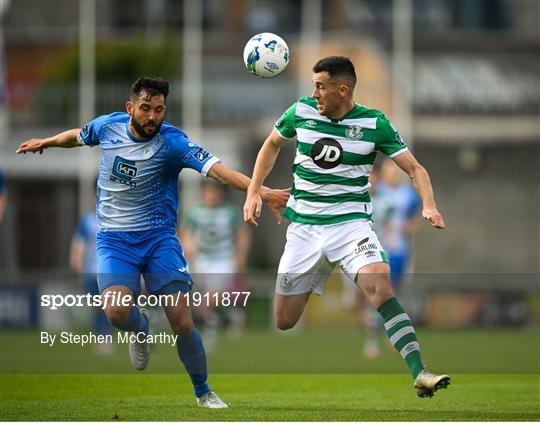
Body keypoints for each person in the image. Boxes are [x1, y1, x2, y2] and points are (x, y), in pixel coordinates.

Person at [16, 77, 289, 408]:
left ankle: (203, 391)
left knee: (181, 318)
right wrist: (46, 141)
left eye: (159, 110)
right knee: (116, 312)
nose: (152, 117)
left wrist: (260, 191)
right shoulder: (107, 128)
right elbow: (76, 136)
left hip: (159, 239)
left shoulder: (172, 142)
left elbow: (218, 171)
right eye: (146, 108)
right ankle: (141, 327)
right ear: (130, 108)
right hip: (115, 241)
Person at [243, 56, 450, 398]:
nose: (315, 93)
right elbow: (271, 145)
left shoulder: (374, 123)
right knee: (283, 320)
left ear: (343, 90)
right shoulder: (301, 111)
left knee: (381, 288)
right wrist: (253, 191)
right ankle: (313, 276)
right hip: (304, 230)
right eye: (314, 86)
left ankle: (420, 371)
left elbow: (416, 169)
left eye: (321, 86)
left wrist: (428, 205)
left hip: (351, 227)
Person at [181, 179, 251, 348]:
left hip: (223, 258)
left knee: (214, 295)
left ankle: (211, 330)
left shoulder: (230, 213)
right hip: (202, 259)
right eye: (208, 191)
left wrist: (240, 254)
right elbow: (185, 233)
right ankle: (233, 314)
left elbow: (243, 234)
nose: (212, 195)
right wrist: (188, 244)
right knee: (205, 299)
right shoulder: (194, 213)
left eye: (215, 191)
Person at [70, 207, 113, 353]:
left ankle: (104, 337)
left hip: (109, 272)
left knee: (106, 306)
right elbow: (78, 242)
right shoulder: (87, 220)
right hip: (90, 272)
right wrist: (76, 259)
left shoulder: (115, 218)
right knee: (97, 308)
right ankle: (100, 337)